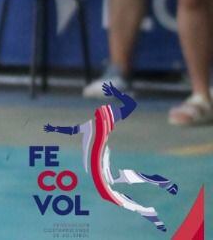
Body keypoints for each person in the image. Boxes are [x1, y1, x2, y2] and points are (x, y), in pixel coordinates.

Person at [43, 82, 180, 233]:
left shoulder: (106, 119)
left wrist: (117, 93)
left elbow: (130, 105)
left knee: (109, 192)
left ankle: (148, 210)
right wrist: (54, 128)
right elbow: (72, 130)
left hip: (100, 160)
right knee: (117, 181)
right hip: (99, 159)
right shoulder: (93, 123)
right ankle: (157, 191)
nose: (98, 111)